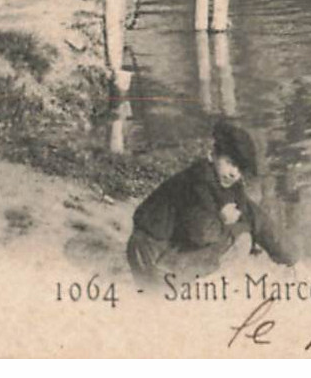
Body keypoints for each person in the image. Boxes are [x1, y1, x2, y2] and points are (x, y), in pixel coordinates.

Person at [125, 119, 296, 289]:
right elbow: (200, 233)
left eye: (239, 169)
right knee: (240, 238)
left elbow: (256, 217)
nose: (233, 173)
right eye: (229, 163)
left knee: (245, 228)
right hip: (151, 253)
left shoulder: (225, 185)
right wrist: (223, 220)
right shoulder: (196, 183)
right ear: (212, 155)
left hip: (168, 247)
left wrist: (290, 259)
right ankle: (179, 287)